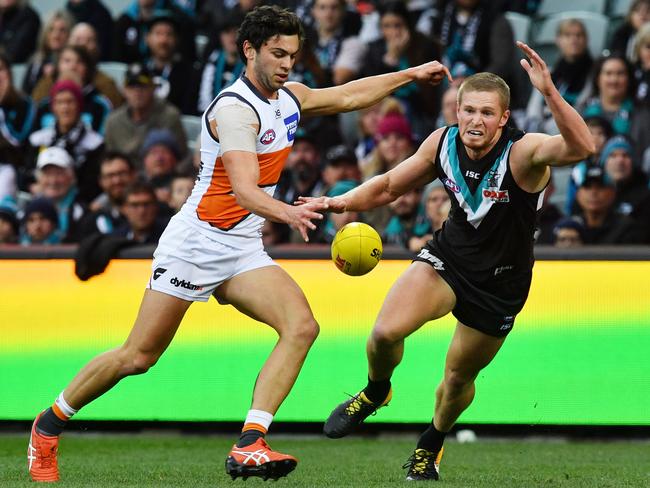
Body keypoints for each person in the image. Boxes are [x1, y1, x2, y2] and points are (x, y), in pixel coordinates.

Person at [27, 5, 451, 483]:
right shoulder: (233, 110)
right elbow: (246, 189)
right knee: (138, 357)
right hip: (196, 243)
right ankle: (47, 425)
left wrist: (411, 74)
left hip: (241, 244)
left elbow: (351, 96)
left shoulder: (288, 95)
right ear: (249, 50)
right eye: (277, 53)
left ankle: (250, 441)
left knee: (301, 326)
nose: (287, 64)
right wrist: (290, 212)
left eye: (292, 54)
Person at [312, 42, 595, 481]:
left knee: (456, 380)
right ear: (456, 112)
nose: (475, 120)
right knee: (384, 333)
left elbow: (581, 147)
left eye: (486, 112)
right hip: (448, 259)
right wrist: (338, 202)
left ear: (503, 118)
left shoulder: (525, 153)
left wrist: (550, 93)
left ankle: (432, 442)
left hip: (500, 284)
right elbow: (389, 186)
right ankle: (375, 391)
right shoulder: (442, 143)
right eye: (468, 111)